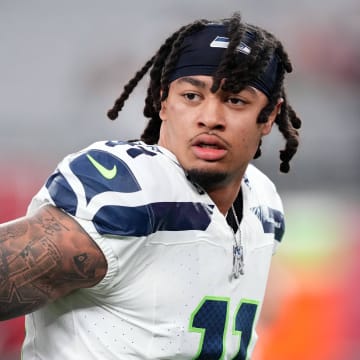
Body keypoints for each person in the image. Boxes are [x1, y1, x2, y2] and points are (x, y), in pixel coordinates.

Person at [0, 11, 301, 359]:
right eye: (192, 96)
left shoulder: (263, 205)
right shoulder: (130, 191)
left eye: (235, 101)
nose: (210, 118)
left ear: (270, 116)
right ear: (162, 101)